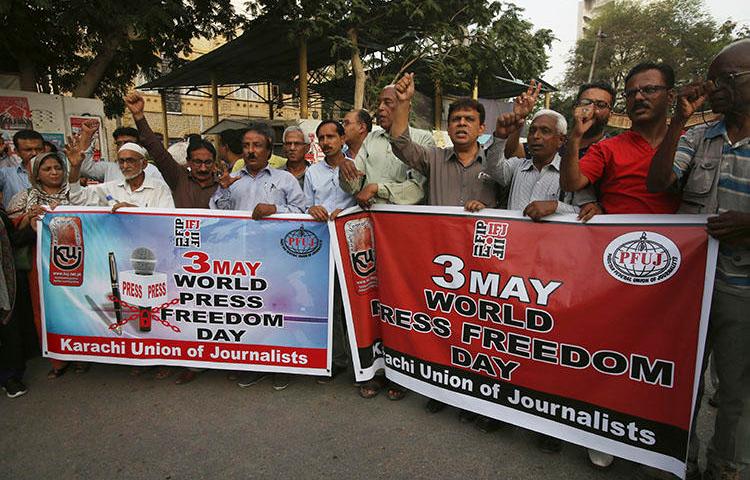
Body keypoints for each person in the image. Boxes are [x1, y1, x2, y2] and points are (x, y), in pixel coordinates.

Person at [646, 39, 750, 480]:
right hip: (689, 285)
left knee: (737, 390)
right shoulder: (697, 135)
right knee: (681, 377)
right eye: (713, 80)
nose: (716, 89)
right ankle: (675, 458)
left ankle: (727, 467)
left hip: (741, 290)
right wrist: (678, 121)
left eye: (727, 79)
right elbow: (658, 182)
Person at [389, 73, 500, 424]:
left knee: (482, 332)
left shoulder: (497, 164)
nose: (462, 124)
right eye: (456, 119)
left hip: (485, 267)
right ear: (448, 127)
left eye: (469, 120)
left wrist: (491, 212)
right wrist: (404, 104)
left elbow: (516, 206)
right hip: (441, 264)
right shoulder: (434, 159)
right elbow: (401, 144)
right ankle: (443, 390)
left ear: (481, 127)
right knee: (443, 326)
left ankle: (485, 400)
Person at [560, 62, 681, 215]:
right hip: (616, 237)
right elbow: (570, 183)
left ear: (670, 96)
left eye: (649, 90)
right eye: (630, 93)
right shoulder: (606, 148)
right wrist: (575, 136)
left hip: (677, 238)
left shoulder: (690, 143)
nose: (638, 97)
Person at [7, 149, 86, 379]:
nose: (54, 172)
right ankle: (57, 358)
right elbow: (11, 232)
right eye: (47, 169)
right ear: (36, 174)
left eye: (58, 168)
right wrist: (28, 220)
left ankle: (81, 355)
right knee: (44, 309)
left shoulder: (77, 194)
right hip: (40, 263)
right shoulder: (24, 199)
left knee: (76, 307)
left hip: (75, 261)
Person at [305, 120, 358, 388]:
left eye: (331, 137)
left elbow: (363, 203)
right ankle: (338, 360)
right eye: (322, 138)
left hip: (352, 245)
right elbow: (304, 206)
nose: (326, 142)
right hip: (322, 247)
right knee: (330, 304)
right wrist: (311, 210)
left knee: (354, 306)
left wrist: (346, 214)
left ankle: (362, 362)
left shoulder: (357, 166)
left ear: (342, 138)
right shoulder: (312, 173)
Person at [475, 108, 598, 222]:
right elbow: (492, 168)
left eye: (545, 131)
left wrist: (556, 206)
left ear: (561, 140)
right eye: (532, 131)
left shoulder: (572, 174)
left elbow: (587, 212)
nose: (536, 136)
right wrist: (500, 136)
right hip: (515, 240)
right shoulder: (517, 166)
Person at [339, 85, 434, 210]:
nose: (380, 108)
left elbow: (418, 190)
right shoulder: (371, 139)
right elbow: (354, 187)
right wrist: (345, 172)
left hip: (406, 220)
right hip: (371, 219)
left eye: (387, 103)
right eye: (379, 103)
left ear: (406, 108)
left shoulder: (423, 139)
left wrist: (377, 189)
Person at [125, 91, 220, 209]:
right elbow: (157, 151)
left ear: (214, 163)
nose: (203, 168)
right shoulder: (179, 178)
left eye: (207, 162)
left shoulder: (223, 186)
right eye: (197, 162)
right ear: (188, 162)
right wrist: (139, 116)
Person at [210, 123, 305, 218]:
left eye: (257, 145)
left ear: (269, 150)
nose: (250, 150)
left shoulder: (285, 179)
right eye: (246, 145)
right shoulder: (231, 180)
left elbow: (300, 211)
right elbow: (219, 216)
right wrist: (224, 190)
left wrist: (275, 209)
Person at [67, 140, 174, 209]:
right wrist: (75, 167)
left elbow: (166, 220)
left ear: (144, 164)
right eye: (121, 161)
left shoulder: (159, 188)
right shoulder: (111, 188)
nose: (125, 165)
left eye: (130, 160)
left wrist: (134, 210)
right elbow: (77, 198)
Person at [78, 123, 165, 184]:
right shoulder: (109, 168)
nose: (123, 147)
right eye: (119, 143)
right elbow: (85, 169)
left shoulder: (151, 171)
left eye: (128, 142)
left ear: (138, 145)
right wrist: (87, 135)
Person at [0, 130, 43, 209]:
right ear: (17, 152)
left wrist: (74, 167)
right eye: (28, 150)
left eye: (38, 149)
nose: (34, 153)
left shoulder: (55, 173)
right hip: (13, 220)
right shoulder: (6, 174)